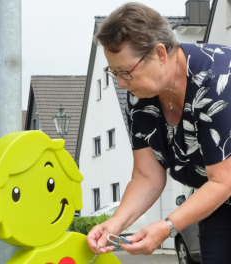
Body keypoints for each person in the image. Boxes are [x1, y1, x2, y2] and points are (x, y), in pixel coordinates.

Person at [86, 2, 231, 263]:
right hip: (218, 201)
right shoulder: (139, 96)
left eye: (126, 71)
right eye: (113, 72)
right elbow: (146, 176)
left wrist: (166, 227)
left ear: (160, 53)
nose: (120, 83)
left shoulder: (218, 78)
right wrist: (114, 225)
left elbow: (223, 180)